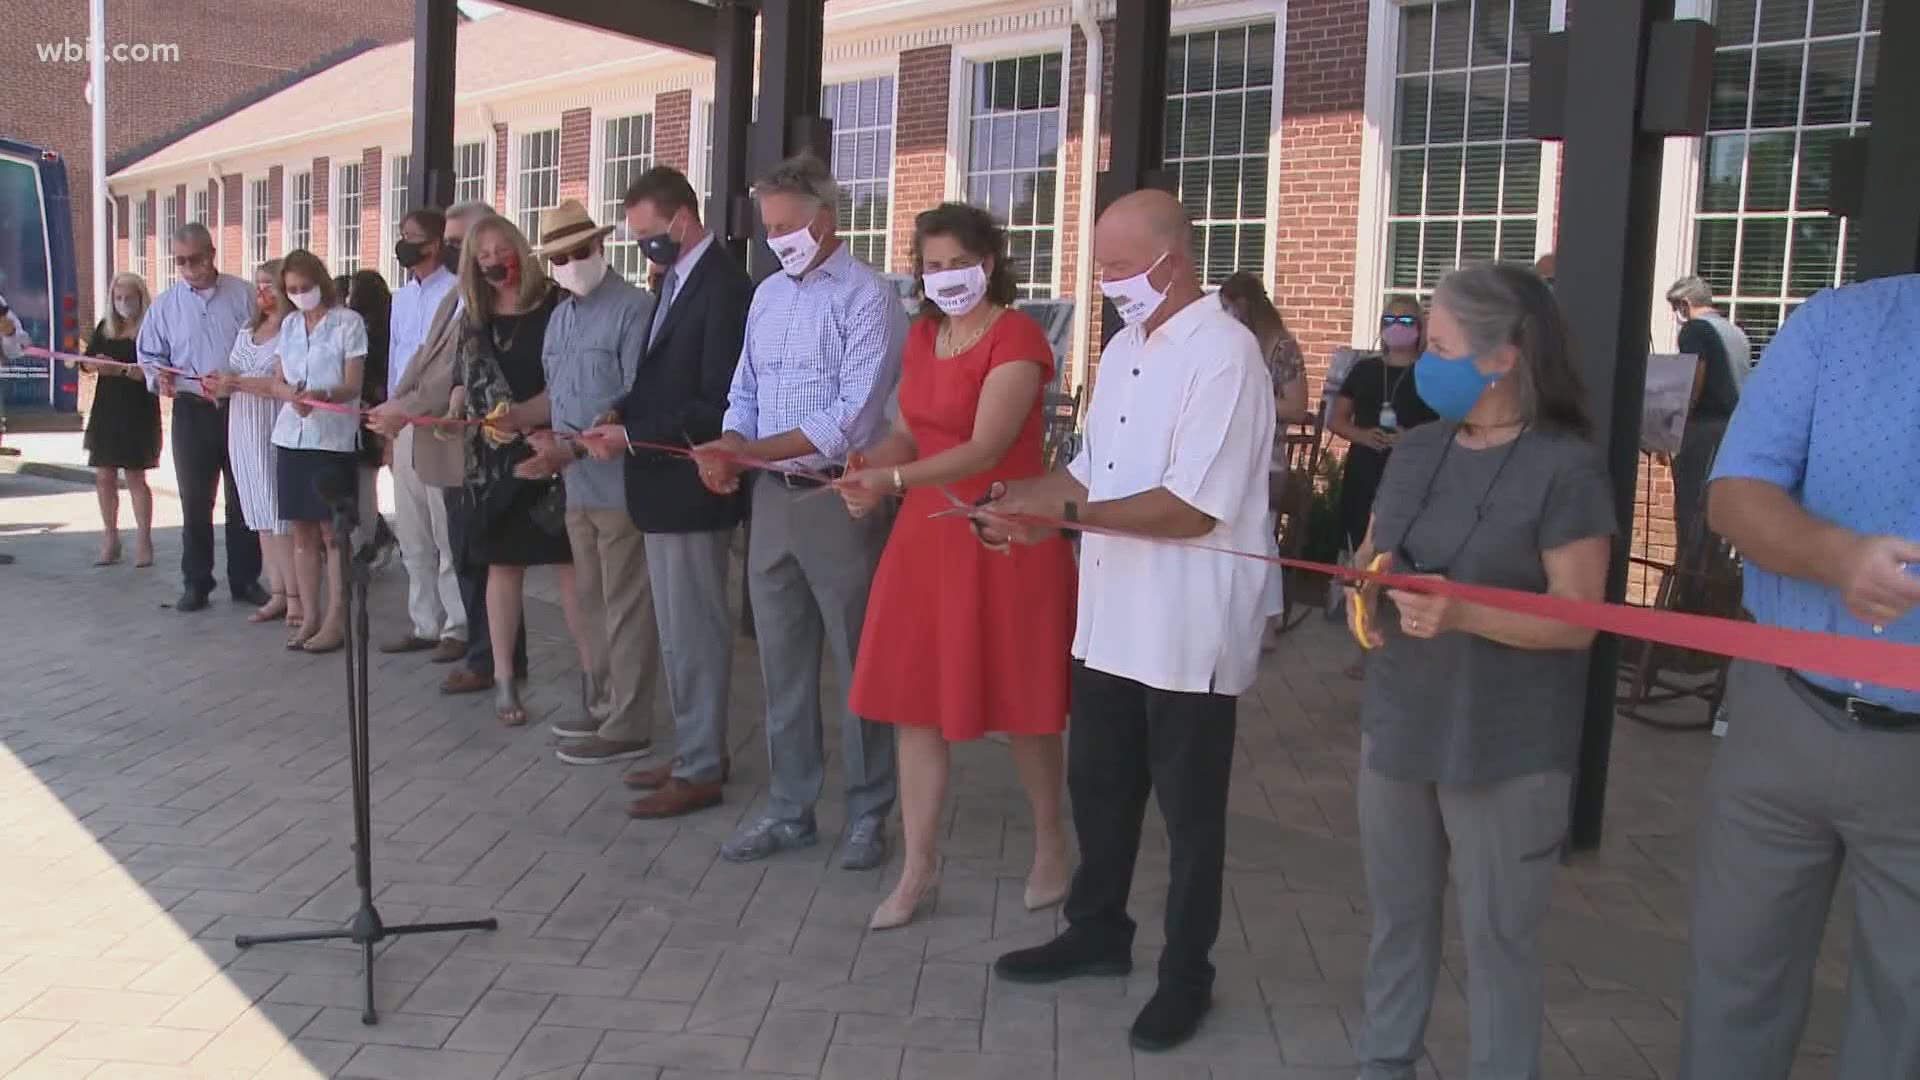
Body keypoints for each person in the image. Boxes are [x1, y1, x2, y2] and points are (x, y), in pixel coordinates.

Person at [984, 189, 1274, 1053]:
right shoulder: (1120, 348)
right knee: (1100, 788)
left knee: (1190, 815)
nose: (1107, 282)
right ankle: (1097, 932)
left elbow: (1191, 508)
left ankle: (1187, 974)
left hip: (1189, 622)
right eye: (1101, 265)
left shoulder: (1226, 355)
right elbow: (1089, 471)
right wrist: (1023, 501)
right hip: (1108, 612)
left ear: (1171, 262)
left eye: (1118, 266)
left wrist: (1062, 517)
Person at [1343, 263, 1616, 1080]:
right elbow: (1372, 552)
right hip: (1400, 726)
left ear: (1502, 359)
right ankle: (1384, 1062)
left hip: (1506, 742)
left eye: (1440, 345)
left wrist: (1464, 611)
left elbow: (1578, 619)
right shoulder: (1419, 448)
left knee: (1498, 940)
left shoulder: (1566, 468)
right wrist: (1367, 583)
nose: (1423, 360)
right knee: (1399, 919)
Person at [1679, 274, 1920, 1080]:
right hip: (1784, 712)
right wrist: (1838, 558)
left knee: (1905, 1021)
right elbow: (1736, 495)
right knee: (1734, 987)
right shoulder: (1841, 323)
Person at [835, 203, 1076, 930]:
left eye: (955, 264)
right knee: (914, 705)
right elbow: (909, 429)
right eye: (930, 266)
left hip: (1003, 532)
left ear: (989, 262)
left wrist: (892, 483)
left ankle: (1050, 844)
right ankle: (918, 868)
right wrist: (870, 465)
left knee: (1025, 707)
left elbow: (982, 446)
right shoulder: (921, 335)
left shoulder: (1018, 337)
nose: (943, 278)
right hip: (923, 542)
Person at [692, 154, 907, 869]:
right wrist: (728, 445)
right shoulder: (766, 297)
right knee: (782, 664)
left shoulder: (868, 296)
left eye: (786, 226)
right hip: (771, 502)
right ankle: (791, 807)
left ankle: (870, 812)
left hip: (836, 496)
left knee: (857, 661)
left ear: (825, 218)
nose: (777, 239)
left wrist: (750, 450)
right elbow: (743, 390)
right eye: (768, 228)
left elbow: (853, 416)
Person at [584, 166, 750, 819]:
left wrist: (634, 436)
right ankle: (692, 750)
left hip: (692, 484)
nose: (646, 247)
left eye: (652, 234)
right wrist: (620, 411)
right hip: (658, 483)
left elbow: (715, 400)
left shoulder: (725, 287)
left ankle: (702, 765)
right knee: (678, 632)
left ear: (684, 219)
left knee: (696, 631)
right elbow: (660, 377)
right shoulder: (676, 280)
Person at [516, 199, 661, 765]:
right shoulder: (560, 317)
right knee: (593, 603)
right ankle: (602, 705)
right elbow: (556, 397)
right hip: (576, 486)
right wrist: (521, 421)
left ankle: (629, 721)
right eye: (559, 257)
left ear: (601, 248)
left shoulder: (634, 310)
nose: (571, 263)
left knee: (626, 605)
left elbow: (633, 401)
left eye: (580, 251)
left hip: (621, 485)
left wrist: (566, 447)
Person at [371, 201, 528, 696]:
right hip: (423, 430)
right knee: (433, 539)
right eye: (457, 242)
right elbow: (418, 362)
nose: (459, 251)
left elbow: (450, 377)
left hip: (474, 442)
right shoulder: (451, 301)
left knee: (466, 548)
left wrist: (409, 406)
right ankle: (454, 636)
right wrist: (396, 407)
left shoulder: (501, 301)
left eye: (466, 241)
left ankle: (478, 646)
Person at [449, 213, 579, 726]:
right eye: (480, 257)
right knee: (502, 569)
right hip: (494, 460)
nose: (491, 262)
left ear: (520, 250)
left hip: (553, 449)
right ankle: (505, 679)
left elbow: (571, 378)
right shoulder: (475, 315)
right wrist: (460, 401)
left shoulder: (555, 302)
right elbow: (465, 376)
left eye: (499, 251)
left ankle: (595, 678)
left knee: (571, 569)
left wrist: (539, 423)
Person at [135, 222, 265, 612]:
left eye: (196, 259)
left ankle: (245, 579)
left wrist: (238, 379)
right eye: (181, 261)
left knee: (242, 497)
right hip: (191, 411)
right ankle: (196, 582)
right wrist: (161, 378)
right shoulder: (165, 305)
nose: (190, 267)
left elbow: (264, 343)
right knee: (195, 499)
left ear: (212, 254)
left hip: (238, 407)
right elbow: (149, 355)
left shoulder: (244, 296)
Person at [261, 250, 367, 654]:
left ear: (321, 281)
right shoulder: (288, 325)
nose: (301, 295)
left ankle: (338, 618)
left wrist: (322, 394)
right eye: (293, 289)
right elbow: (277, 380)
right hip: (292, 435)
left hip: (332, 438)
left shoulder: (348, 323)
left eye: (306, 287)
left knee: (332, 532)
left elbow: (353, 383)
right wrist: (292, 395)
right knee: (301, 531)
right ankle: (309, 616)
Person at [377, 208, 466, 662]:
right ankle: (424, 621)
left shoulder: (457, 293)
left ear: (434, 243)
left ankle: (456, 624)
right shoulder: (401, 298)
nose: (404, 244)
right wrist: (391, 432)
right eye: (401, 236)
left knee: (443, 526)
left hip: (439, 421)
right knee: (411, 527)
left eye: (411, 237)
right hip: (403, 420)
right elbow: (397, 360)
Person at [202, 263, 297, 627]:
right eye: (258, 286)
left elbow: (280, 381)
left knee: (278, 513)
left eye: (270, 286)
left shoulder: (290, 330)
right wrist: (219, 385)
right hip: (241, 426)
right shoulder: (248, 330)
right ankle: (276, 591)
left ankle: (294, 595)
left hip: (272, 425)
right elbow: (234, 373)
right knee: (257, 512)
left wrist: (237, 383)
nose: (263, 293)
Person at [1219, 270, 1307, 650]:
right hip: (1228, 457)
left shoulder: (1280, 348)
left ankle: (1266, 625)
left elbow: (1298, 406)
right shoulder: (1225, 344)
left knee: (1260, 538)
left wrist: (1252, 402)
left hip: (1265, 461)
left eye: (1232, 308)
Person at [80, 273, 162, 568]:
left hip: (137, 410)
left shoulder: (151, 329)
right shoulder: (106, 327)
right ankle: (111, 537)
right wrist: (93, 364)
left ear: (141, 298)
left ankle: (143, 539)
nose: (123, 304)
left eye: (129, 298)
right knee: (104, 476)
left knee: (136, 477)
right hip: (106, 409)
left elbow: (154, 371)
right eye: (118, 298)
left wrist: (122, 370)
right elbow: (86, 362)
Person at [1664, 274, 1751, 551]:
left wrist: (1677, 423)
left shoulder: (1695, 330)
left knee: (1693, 511)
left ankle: (1691, 586)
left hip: (1703, 430)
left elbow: (1695, 374)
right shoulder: (1736, 332)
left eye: (1677, 307)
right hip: (1733, 430)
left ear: (1685, 303)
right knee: (1719, 515)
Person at [345, 270, 397, 564]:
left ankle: (369, 541)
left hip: (367, 415)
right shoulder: (389, 324)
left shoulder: (362, 331)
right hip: (382, 410)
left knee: (365, 483)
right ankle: (375, 536)